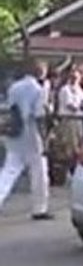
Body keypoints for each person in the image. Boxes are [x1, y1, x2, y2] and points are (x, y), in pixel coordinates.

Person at [0, 60, 54, 220]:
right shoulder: (38, 89)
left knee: (9, 171)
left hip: (15, 133)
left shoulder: (14, 87)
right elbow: (39, 116)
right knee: (40, 173)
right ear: (41, 72)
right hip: (32, 135)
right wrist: (45, 138)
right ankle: (39, 208)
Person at [56, 68, 83, 167]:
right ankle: (67, 171)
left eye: (76, 77)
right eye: (73, 77)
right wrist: (81, 105)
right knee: (69, 147)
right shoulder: (65, 89)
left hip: (79, 120)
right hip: (69, 120)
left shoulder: (80, 90)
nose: (75, 79)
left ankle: (74, 168)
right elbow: (71, 106)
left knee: (78, 146)